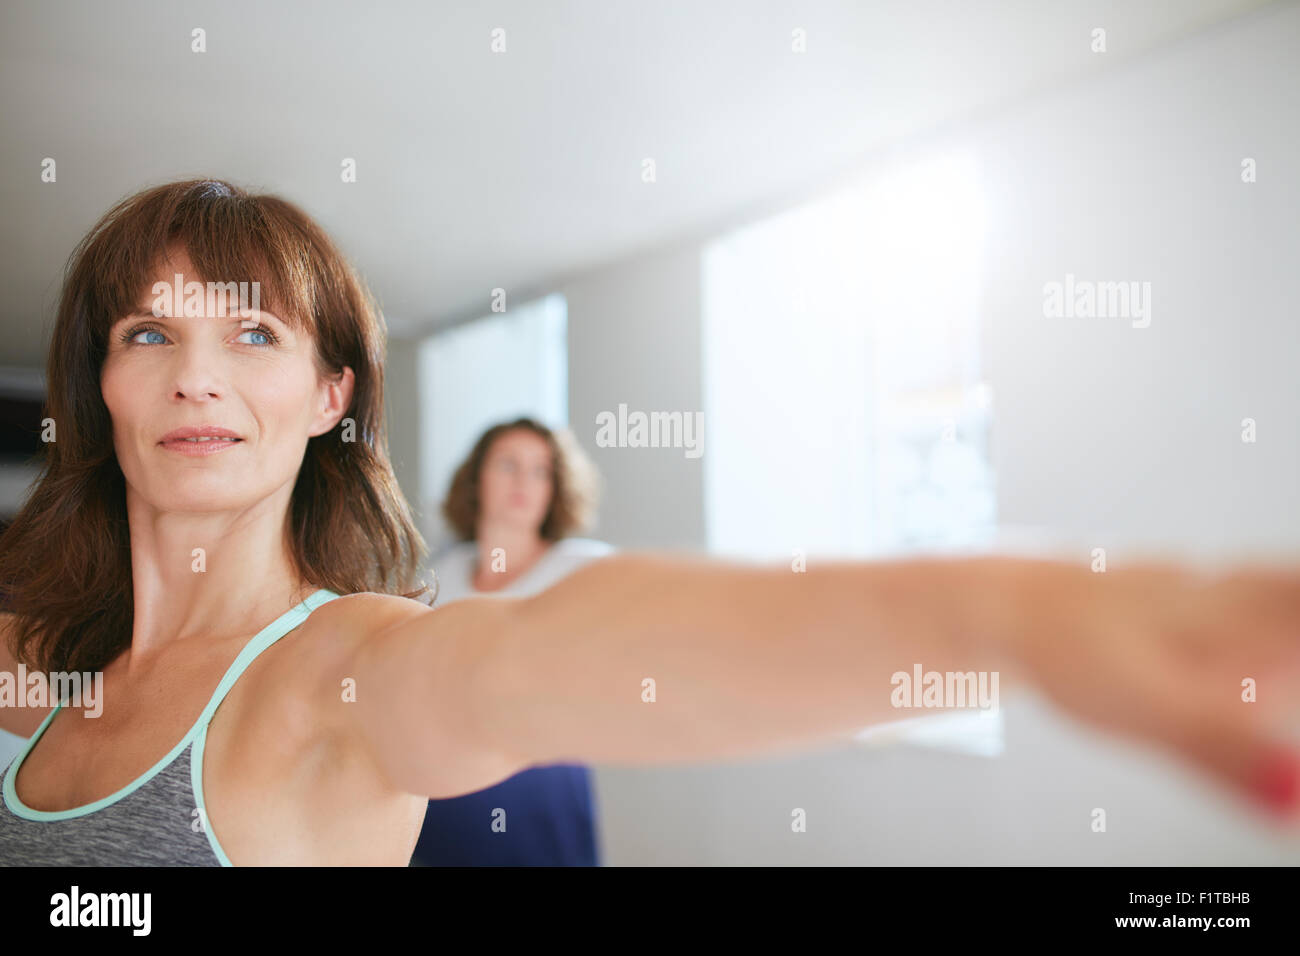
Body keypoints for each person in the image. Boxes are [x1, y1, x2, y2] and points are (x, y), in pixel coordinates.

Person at [0, 179, 1296, 867]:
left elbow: (572, 640)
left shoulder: (341, 672)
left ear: (332, 392)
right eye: (148, 329)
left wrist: (1009, 608)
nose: (197, 373)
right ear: (99, 382)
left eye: (256, 331)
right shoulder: (31, 657)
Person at [410, 418, 613, 866]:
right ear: (477, 478)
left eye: (540, 470)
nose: (524, 481)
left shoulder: (584, 569)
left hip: (541, 785)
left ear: (555, 487)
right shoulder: (440, 575)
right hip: (445, 786)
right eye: (508, 465)